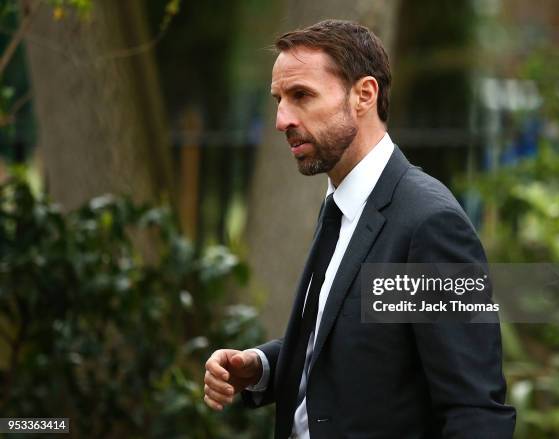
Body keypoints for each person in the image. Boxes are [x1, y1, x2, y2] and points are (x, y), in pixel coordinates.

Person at [203, 19, 516, 438]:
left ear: (364, 95)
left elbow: (475, 409)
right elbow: (352, 348)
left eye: (301, 96)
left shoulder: (430, 225)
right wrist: (259, 367)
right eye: (279, 99)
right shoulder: (340, 205)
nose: (281, 119)